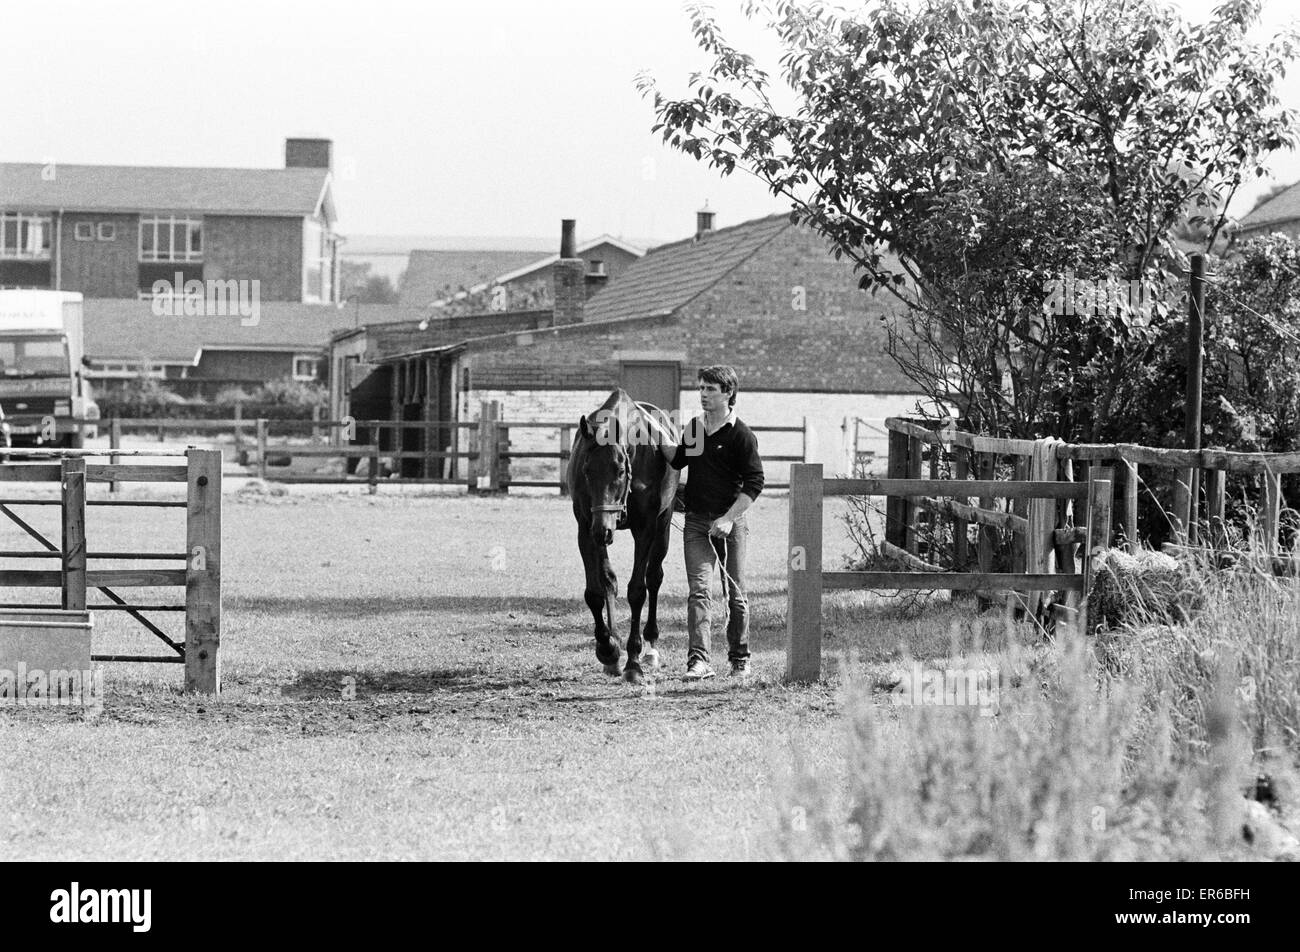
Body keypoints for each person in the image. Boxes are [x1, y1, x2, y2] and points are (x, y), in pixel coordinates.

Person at [658, 365, 764, 679]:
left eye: (710, 390)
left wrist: (729, 519)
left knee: (736, 594)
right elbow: (678, 459)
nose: (703, 395)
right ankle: (699, 662)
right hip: (696, 524)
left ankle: (740, 658)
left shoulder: (740, 435)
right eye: (701, 388)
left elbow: (755, 483)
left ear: (728, 393)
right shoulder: (695, 429)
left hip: (731, 525)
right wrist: (655, 434)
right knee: (699, 592)